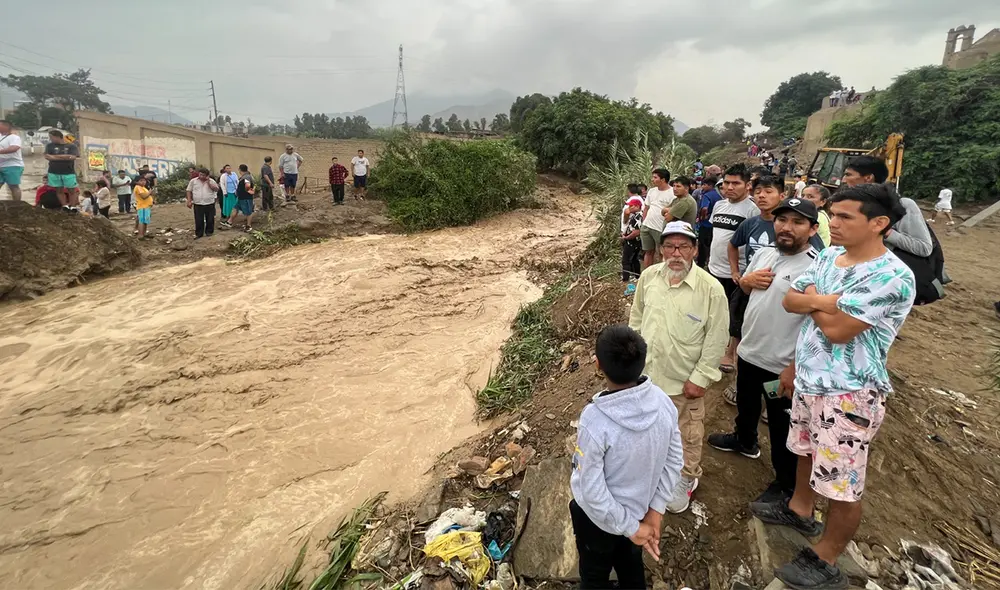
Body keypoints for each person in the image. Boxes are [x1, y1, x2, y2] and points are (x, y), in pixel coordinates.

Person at [752, 183, 915, 589]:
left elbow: (839, 331)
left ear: (879, 223)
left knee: (842, 481)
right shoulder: (828, 256)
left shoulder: (892, 275)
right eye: (834, 214)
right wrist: (827, 300)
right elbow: (789, 299)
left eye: (845, 217)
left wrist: (815, 301)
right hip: (810, 379)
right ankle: (800, 509)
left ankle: (826, 558)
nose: (833, 222)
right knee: (806, 451)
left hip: (849, 391)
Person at [708, 198, 822, 505]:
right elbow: (745, 291)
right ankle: (744, 441)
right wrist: (745, 281)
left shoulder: (816, 267)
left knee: (781, 423)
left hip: (780, 366)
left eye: (797, 222)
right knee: (746, 404)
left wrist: (794, 367)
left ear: (812, 229)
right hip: (750, 353)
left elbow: (818, 327)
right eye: (782, 220)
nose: (787, 227)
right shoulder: (765, 254)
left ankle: (785, 485)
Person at [570, 324, 683, 590]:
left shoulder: (595, 420)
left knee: (594, 575)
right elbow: (675, 459)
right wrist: (654, 511)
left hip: (598, 523)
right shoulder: (662, 401)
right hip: (640, 511)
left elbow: (592, 491)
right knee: (631, 569)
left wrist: (631, 527)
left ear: (598, 365)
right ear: (642, 363)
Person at [629, 221, 729, 513]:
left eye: (684, 246)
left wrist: (701, 377)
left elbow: (717, 338)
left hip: (684, 381)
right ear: (660, 250)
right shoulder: (648, 278)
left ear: (695, 250)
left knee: (686, 433)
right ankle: (655, 468)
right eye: (670, 246)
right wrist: (633, 364)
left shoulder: (710, 289)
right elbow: (636, 320)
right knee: (648, 427)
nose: (676, 253)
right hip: (647, 377)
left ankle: (685, 478)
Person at [707, 164, 760, 373]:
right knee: (714, 311)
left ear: (747, 185)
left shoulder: (752, 210)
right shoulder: (719, 205)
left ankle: (731, 353)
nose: (729, 187)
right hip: (714, 268)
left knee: (735, 315)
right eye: (726, 182)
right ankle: (713, 348)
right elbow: (717, 236)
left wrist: (740, 270)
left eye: (735, 183)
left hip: (738, 272)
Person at [842, 156, 933, 258]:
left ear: (868, 178)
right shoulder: (850, 205)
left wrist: (885, 231)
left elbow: (924, 248)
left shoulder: (903, 205)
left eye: (848, 175)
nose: (843, 180)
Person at [638, 168, 675, 270]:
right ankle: (646, 275)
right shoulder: (652, 191)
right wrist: (643, 222)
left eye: (655, 177)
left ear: (663, 179)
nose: (652, 179)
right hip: (647, 226)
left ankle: (662, 274)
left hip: (660, 228)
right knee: (648, 251)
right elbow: (646, 208)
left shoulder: (672, 193)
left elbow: (673, 211)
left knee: (662, 253)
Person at [44, 129, 80, 208]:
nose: (50, 139)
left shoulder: (71, 146)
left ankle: (72, 207)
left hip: (68, 172)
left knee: (72, 190)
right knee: (59, 190)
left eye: (51, 137)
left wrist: (54, 157)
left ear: (58, 137)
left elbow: (73, 157)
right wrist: (65, 157)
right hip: (54, 172)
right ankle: (64, 206)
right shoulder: (49, 146)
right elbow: (47, 156)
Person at [696, 176, 723, 268]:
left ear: (710, 185)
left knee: (703, 245)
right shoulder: (719, 195)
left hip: (706, 224)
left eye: (704, 185)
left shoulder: (707, 195)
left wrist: (702, 218)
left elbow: (704, 208)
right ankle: (711, 261)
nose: (702, 187)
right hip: (716, 224)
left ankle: (701, 264)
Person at [186, 167, 220, 238]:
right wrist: (189, 200)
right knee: (198, 219)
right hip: (198, 203)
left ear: (207, 175)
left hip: (209, 203)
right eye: (200, 174)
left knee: (210, 218)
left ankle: (209, 232)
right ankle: (199, 233)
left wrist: (209, 183)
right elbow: (189, 190)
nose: (201, 176)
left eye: (203, 175)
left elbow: (216, 189)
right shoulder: (193, 181)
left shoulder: (211, 181)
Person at [620, 194, 643, 284]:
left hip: (632, 242)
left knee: (626, 260)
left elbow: (636, 232)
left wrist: (626, 238)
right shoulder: (636, 215)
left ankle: (625, 279)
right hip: (635, 241)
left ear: (637, 206)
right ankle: (637, 276)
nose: (629, 208)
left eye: (631, 206)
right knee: (634, 259)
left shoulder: (638, 217)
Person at [0, 119, 24, 201]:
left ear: (6, 126)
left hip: (13, 165)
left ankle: (16, 204)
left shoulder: (14, 137)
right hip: (1, 165)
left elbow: (14, 148)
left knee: (13, 186)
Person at [232, 164, 256, 231]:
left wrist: (250, 192)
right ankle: (229, 222)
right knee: (235, 208)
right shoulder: (245, 176)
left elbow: (247, 187)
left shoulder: (246, 177)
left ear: (240, 169)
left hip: (246, 198)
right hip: (241, 197)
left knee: (249, 211)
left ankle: (248, 226)